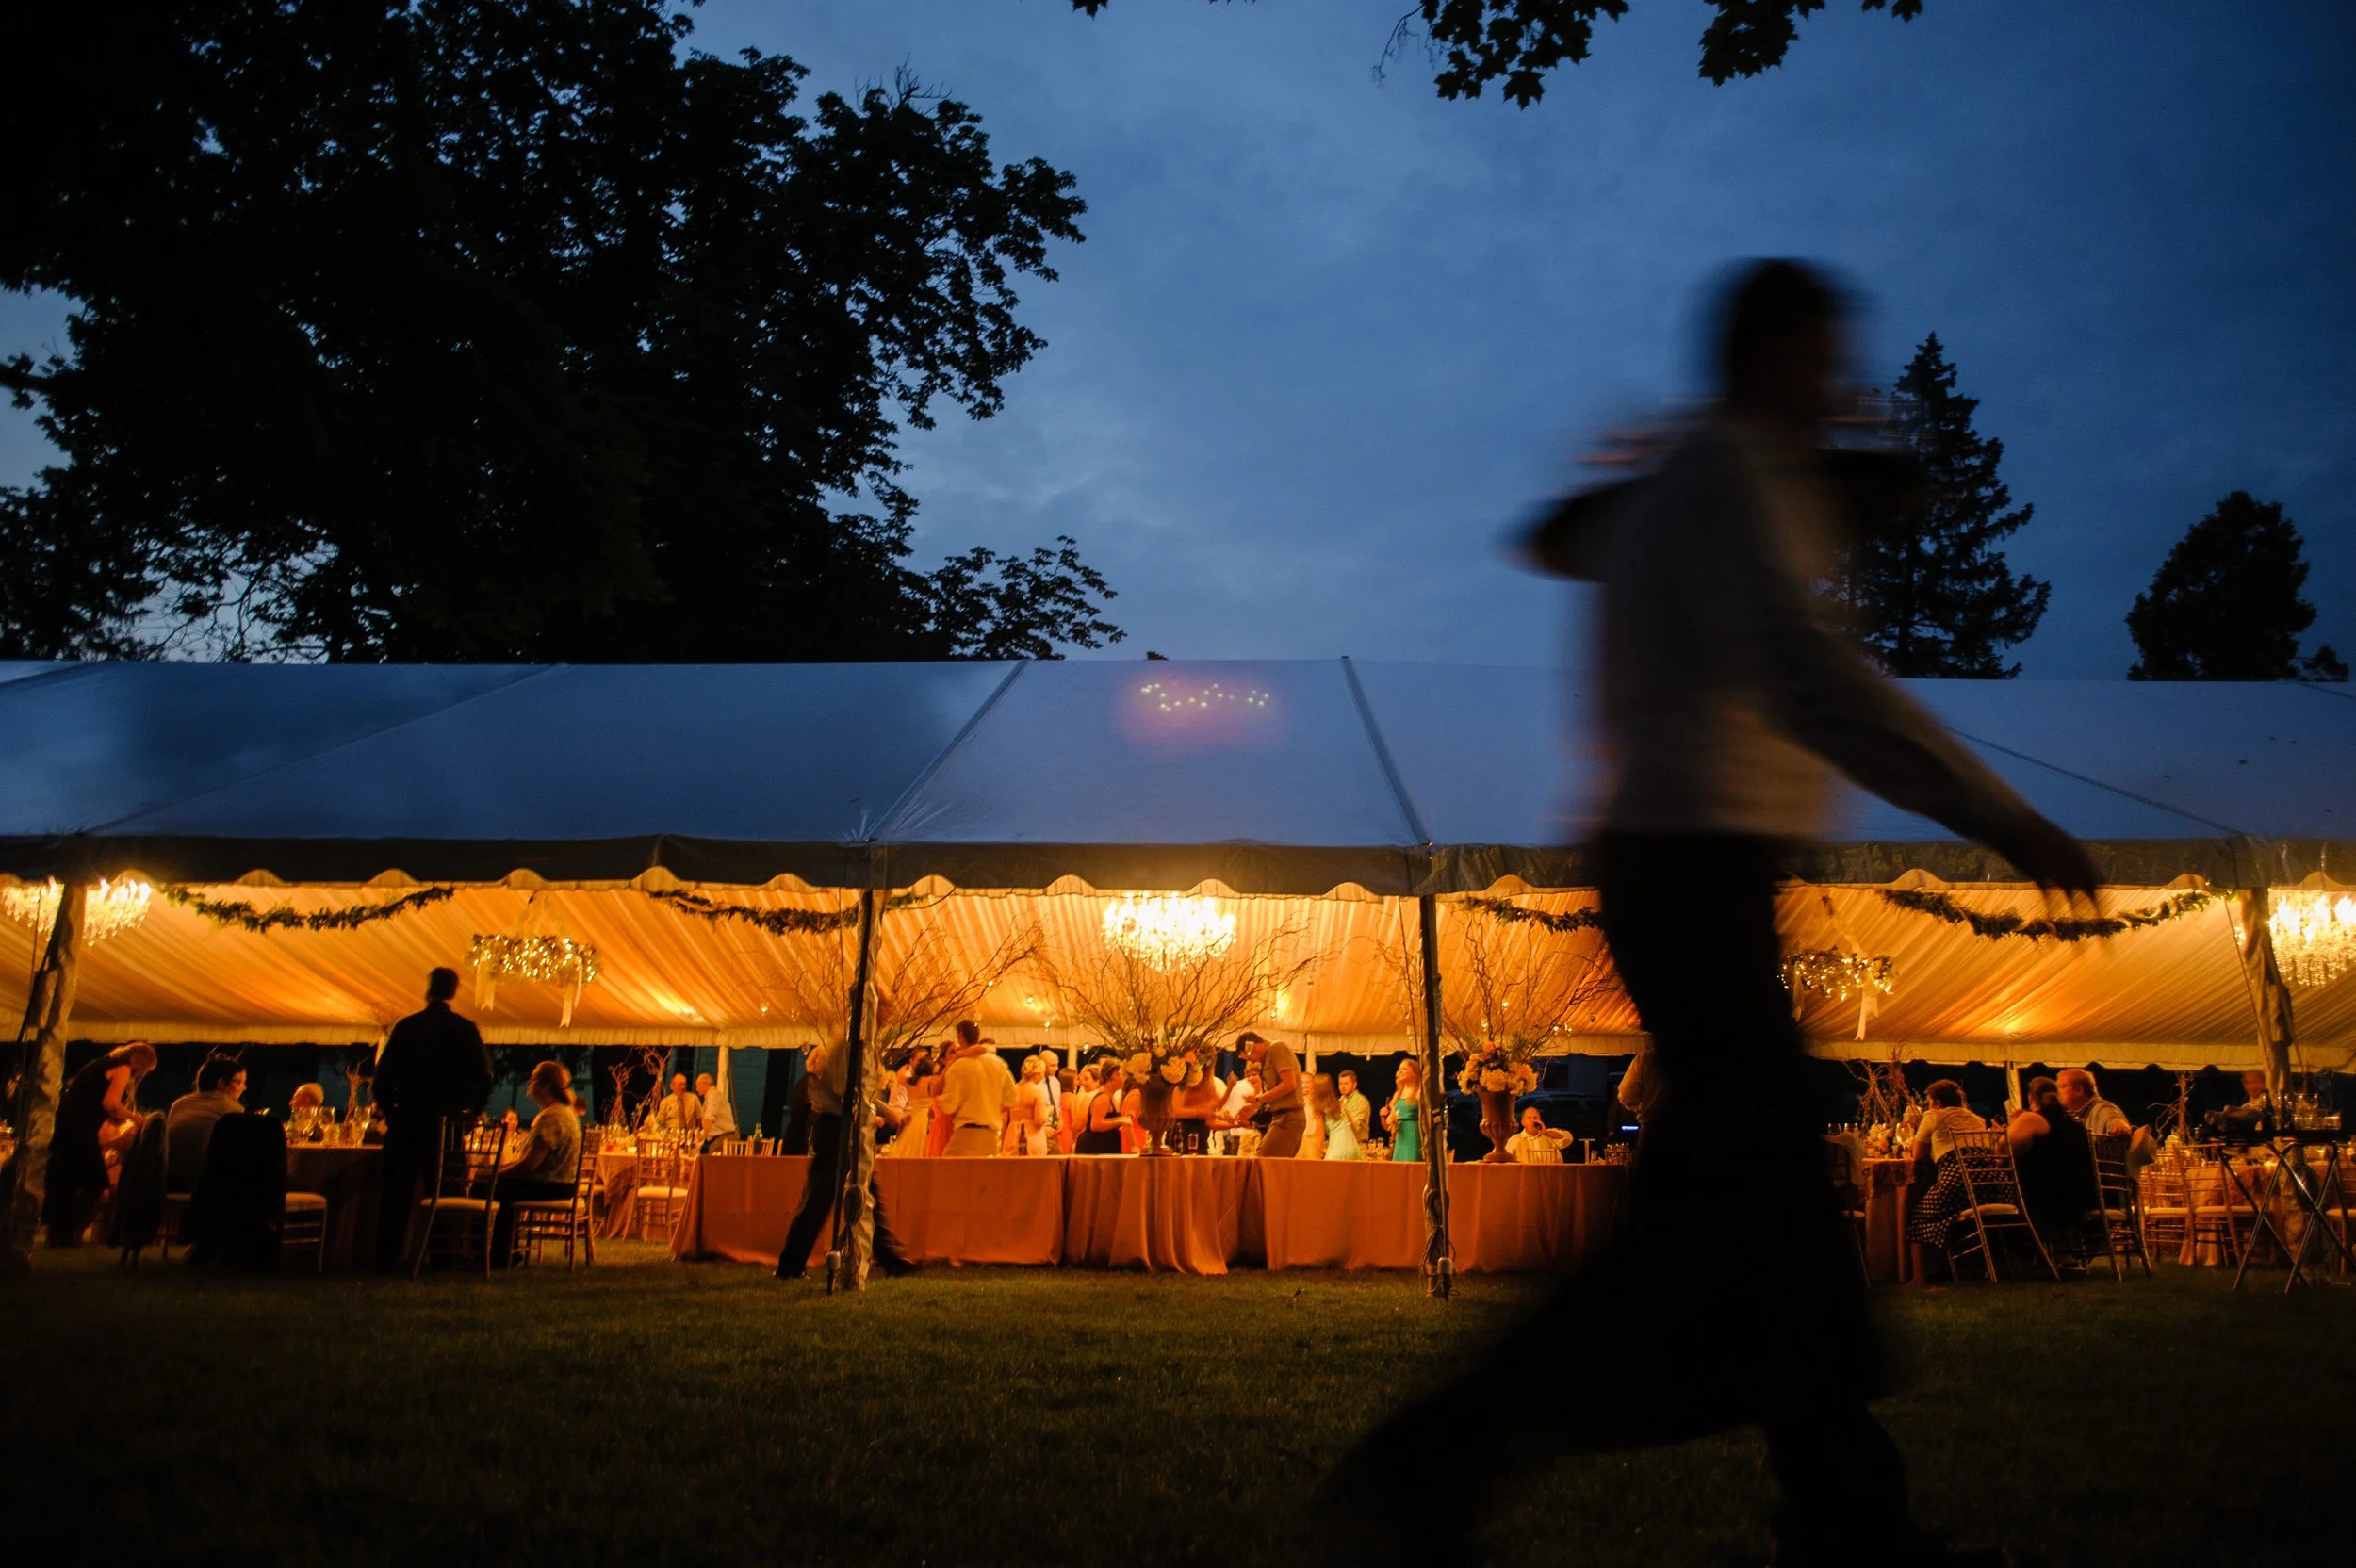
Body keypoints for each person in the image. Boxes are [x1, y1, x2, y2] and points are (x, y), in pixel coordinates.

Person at [1317, 260, 2097, 1568]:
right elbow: (1809, 675)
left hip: (1688, 870)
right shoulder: (1730, 483)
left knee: (1765, 1194)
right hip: (1690, 870)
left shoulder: (1710, 489)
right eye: (1823, 355)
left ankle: (1847, 1514)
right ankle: (1439, 1454)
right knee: (1723, 1197)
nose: (1838, 382)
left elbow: (1589, 543)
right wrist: (1999, 815)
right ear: (1774, 352)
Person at [370, 967, 495, 1273]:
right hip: (447, 1123)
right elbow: (485, 1077)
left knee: (396, 1193)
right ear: (453, 992)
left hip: (408, 1119)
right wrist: (472, 1112)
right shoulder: (465, 1030)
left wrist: (392, 1109)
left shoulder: (407, 1027)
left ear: (428, 990)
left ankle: (387, 1259)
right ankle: (443, 1257)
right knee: (446, 1190)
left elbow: (382, 1077)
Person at [775, 1037, 917, 1280]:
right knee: (819, 1199)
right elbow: (846, 1089)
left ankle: (889, 1258)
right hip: (834, 1128)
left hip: (845, 1127)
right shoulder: (847, 1047)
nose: (887, 1013)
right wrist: (882, 1111)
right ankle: (790, 1265)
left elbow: (856, 1091)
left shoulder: (861, 1047)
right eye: (884, 1007)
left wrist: (883, 1110)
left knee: (864, 1192)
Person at [42, 1041, 156, 1245]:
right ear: (141, 1064)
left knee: (65, 1182)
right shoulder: (122, 1069)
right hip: (80, 1129)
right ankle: (65, 1232)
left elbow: (97, 1100)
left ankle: (57, 1235)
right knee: (96, 1183)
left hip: (63, 1125)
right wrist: (135, 1118)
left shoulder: (102, 1063)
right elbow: (110, 1103)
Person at [490, 1060, 583, 1266]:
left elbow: (529, 1165)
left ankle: (496, 1254)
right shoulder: (564, 1112)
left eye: (533, 1079)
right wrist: (499, 1171)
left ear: (545, 1086)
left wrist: (495, 1175)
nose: (528, 1082)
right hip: (563, 1184)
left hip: (551, 1185)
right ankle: (504, 1252)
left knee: (492, 1188)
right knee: (499, 1184)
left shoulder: (552, 1116)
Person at [2008, 1076, 2097, 1254]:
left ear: (2031, 1098)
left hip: (2048, 1197)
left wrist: (2014, 1124)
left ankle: (2018, 1253)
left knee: (2004, 1189)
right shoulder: (2075, 1121)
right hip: (2082, 1195)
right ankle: (2058, 1251)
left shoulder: (2033, 1118)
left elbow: (2004, 1146)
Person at [165, 1055, 248, 1191]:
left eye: (244, 1083)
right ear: (221, 1083)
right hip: (205, 1183)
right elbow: (239, 1151)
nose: (242, 1088)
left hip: (171, 1178)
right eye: (238, 1082)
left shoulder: (180, 1103)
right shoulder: (232, 1109)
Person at [937, 1032, 1014, 1156]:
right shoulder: (998, 1064)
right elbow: (1012, 1098)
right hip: (990, 1135)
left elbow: (948, 1106)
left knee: (949, 1172)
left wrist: (942, 1102)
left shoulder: (959, 1066)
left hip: (964, 1133)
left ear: (961, 1038)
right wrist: (992, 1108)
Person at [1235, 1033, 1304, 1158]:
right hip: (1280, 1117)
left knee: (1264, 1162)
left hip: (1289, 1117)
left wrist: (1258, 1099)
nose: (1251, 1062)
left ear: (1252, 1047)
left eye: (1250, 1059)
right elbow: (1274, 1091)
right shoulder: (1268, 1056)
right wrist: (1254, 1108)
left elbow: (1289, 1084)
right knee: (1268, 1163)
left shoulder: (1277, 1048)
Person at [1906, 1079, 1986, 1166]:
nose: (1929, 1107)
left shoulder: (1935, 1115)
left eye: (1929, 1102)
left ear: (1937, 1102)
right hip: (1991, 1175)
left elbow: (1918, 1155)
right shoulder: (1978, 1119)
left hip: (1957, 1175)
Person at [1075, 1059, 1131, 1154]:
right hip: (1095, 1147)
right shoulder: (1103, 1098)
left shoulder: (1109, 1097)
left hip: (1103, 1145)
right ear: (1110, 1078)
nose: (1123, 1078)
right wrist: (1120, 1120)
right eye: (1119, 1074)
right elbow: (1096, 1125)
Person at [1005, 1054, 1055, 1156]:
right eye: (1042, 1073)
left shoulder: (1011, 1091)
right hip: (1031, 1138)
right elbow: (1039, 1121)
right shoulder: (1037, 1092)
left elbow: (1004, 1119)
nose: (1042, 1077)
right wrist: (1049, 1111)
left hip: (1011, 1137)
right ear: (1036, 1074)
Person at [2053, 1068, 2125, 1138]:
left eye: (2062, 1087)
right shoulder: (2073, 1116)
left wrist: (2119, 1126)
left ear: (2079, 1090)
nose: (2057, 1092)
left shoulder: (2101, 1109)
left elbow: (2115, 1122)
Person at [1308, 1074, 1362, 1161]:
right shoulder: (1340, 1104)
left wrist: (1315, 1158)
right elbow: (1354, 1128)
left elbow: (1320, 1137)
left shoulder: (1320, 1110)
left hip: (1338, 1148)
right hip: (1353, 1148)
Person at [1383, 1058, 1424, 1164]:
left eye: (1404, 1069)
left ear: (1414, 1073)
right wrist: (1390, 1117)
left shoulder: (1419, 1093)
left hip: (1413, 1134)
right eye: (1399, 1069)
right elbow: (1389, 1121)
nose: (1400, 1072)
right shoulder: (1398, 1093)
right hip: (1400, 1136)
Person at [1505, 1106, 1573, 1165]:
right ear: (1523, 1122)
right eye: (1529, 1118)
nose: (1533, 1121)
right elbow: (1501, 1158)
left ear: (1540, 1120)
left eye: (1535, 1118)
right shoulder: (1515, 1139)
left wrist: (1547, 1133)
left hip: (1551, 1176)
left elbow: (1568, 1138)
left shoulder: (1550, 1135)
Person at [647, 1073, 702, 1137]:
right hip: (671, 1137)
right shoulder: (665, 1102)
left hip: (688, 1137)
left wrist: (696, 1133)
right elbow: (659, 1123)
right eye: (680, 1084)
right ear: (672, 1086)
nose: (683, 1087)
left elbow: (700, 1120)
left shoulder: (693, 1099)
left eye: (685, 1084)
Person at [696, 1071, 738, 1144]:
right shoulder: (711, 1096)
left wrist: (701, 1137)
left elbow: (710, 1118)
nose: (697, 1089)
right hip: (721, 1138)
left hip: (722, 1138)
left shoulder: (713, 1096)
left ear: (704, 1084)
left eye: (697, 1086)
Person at [1336, 1070, 1374, 1145]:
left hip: (1358, 1145)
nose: (1342, 1087)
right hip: (1343, 1144)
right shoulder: (1340, 1100)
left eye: (1346, 1083)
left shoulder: (1360, 1100)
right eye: (1340, 1084)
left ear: (1354, 1084)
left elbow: (1354, 1127)